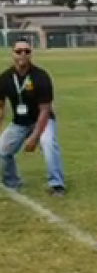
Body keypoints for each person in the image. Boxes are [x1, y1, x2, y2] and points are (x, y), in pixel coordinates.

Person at [0, 40, 66, 196]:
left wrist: (35, 137)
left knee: (48, 144)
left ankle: (56, 184)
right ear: (12, 53)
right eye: (19, 51)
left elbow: (45, 110)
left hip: (42, 120)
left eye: (26, 51)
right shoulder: (5, 78)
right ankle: (12, 182)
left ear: (31, 53)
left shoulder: (41, 76)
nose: (22, 54)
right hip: (19, 122)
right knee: (2, 150)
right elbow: (1, 106)